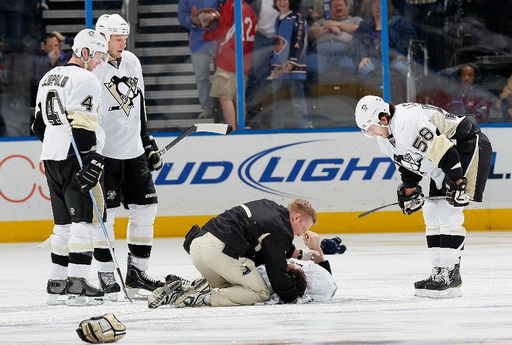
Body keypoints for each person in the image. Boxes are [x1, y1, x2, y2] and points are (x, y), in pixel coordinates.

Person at [354, 95, 492, 299]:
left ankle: (451, 274)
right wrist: (409, 189)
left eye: (370, 128)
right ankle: (439, 272)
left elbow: (445, 151)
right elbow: (407, 162)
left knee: (448, 210)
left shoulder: (406, 122)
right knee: (432, 210)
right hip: (444, 157)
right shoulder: (386, 138)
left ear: (383, 118)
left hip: (465, 144)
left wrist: (456, 183)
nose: (371, 133)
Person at [31, 29, 109, 306]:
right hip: (72, 156)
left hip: (50, 155)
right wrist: (92, 158)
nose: (101, 61)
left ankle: (57, 282)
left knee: (62, 223)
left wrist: (56, 141)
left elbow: (38, 125)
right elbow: (83, 126)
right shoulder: (86, 78)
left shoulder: (49, 76)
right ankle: (77, 282)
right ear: (85, 52)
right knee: (82, 223)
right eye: (98, 55)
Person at [92, 14, 165, 301]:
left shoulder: (132, 61)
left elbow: (140, 105)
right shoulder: (94, 69)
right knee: (104, 217)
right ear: (103, 38)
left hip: (133, 152)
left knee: (147, 210)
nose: (123, 43)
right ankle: (107, 276)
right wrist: (90, 154)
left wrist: (147, 142)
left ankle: (136, 274)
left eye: (125, 37)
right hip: (105, 155)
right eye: (117, 38)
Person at [147, 198, 318, 308]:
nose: (299, 234)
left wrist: (304, 254)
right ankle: (203, 297)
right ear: (296, 217)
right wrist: (293, 295)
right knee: (260, 293)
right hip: (220, 251)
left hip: (198, 246)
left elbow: (273, 245)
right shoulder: (279, 229)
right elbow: (277, 272)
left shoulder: (269, 206)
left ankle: (180, 291)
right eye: (303, 228)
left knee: (234, 290)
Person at [203, 0, 258, 130]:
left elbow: (225, 30)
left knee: (224, 96)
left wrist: (208, 35)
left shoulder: (230, 5)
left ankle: (232, 129)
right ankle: (241, 126)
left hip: (228, 57)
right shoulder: (248, 8)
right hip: (244, 58)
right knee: (238, 97)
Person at [178, 0, 222, 119]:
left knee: (223, 76)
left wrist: (214, 15)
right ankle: (207, 109)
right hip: (198, 42)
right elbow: (182, 15)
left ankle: (224, 108)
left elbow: (228, 8)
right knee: (202, 78)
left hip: (219, 40)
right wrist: (192, 20)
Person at [352, 0, 417, 80]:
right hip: (372, 59)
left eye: (380, 4)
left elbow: (409, 39)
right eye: (374, 5)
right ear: (371, 8)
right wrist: (363, 56)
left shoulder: (400, 22)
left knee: (401, 68)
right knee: (365, 69)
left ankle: (401, 92)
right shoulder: (365, 25)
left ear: (388, 7)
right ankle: (371, 92)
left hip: (395, 59)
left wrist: (399, 53)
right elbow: (357, 41)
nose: (377, 7)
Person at [269, 0, 309, 129]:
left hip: (294, 70)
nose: (282, 2)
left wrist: (292, 62)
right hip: (278, 70)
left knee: (298, 104)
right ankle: (276, 131)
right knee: (278, 104)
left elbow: (300, 41)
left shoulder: (297, 17)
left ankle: (304, 129)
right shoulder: (277, 19)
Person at [244, 0, 280, 121]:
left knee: (276, 76)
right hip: (261, 37)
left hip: (280, 37)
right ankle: (253, 110)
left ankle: (272, 109)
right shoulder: (255, 2)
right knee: (257, 73)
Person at [307, 0, 363, 75]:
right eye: (335, 6)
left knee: (348, 68)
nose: (338, 8)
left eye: (341, 5)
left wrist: (337, 25)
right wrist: (327, 28)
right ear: (329, 9)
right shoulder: (321, 22)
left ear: (347, 7)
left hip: (346, 54)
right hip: (320, 54)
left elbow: (361, 30)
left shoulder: (355, 20)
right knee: (312, 68)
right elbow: (310, 34)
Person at [32, 32, 73, 106]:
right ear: (44, 47)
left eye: (56, 45)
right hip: (44, 96)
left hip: (65, 97)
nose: (54, 49)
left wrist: (64, 39)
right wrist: (50, 59)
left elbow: (83, 47)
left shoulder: (68, 57)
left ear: (60, 46)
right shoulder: (39, 58)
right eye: (50, 46)